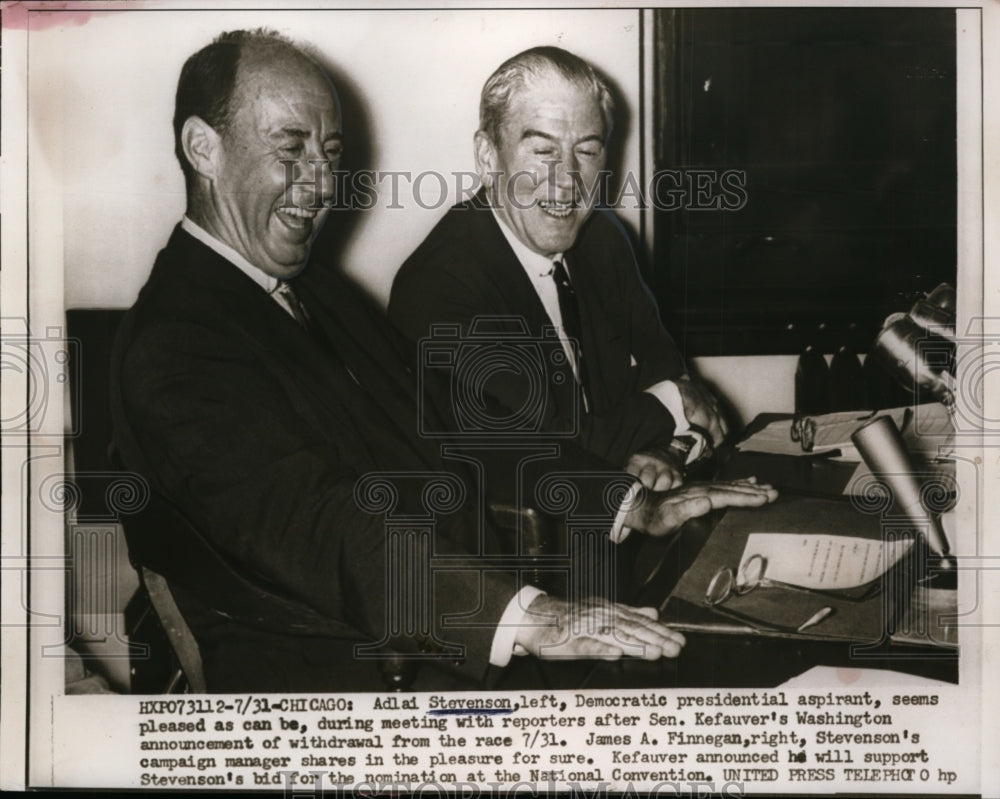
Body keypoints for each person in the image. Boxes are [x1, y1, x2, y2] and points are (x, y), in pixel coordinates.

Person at [110, 29, 777, 692]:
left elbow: (459, 426)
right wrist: (525, 617)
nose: (320, 183)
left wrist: (631, 504)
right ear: (204, 148)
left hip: (460, 619)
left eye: (331, 153)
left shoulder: (310, 287)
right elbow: (322, 527)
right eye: (292, 149)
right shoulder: (177, 340)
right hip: (360, 674)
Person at [389, 46, 727, 492]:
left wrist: (669, 451)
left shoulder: (603, 238)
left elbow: (671, 376)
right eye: (544, 150)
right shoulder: (438, 286)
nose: (567, 178)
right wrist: (676, 403)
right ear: (488, 157)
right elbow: (558, 450)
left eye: (586, 151)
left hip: (635, 509)